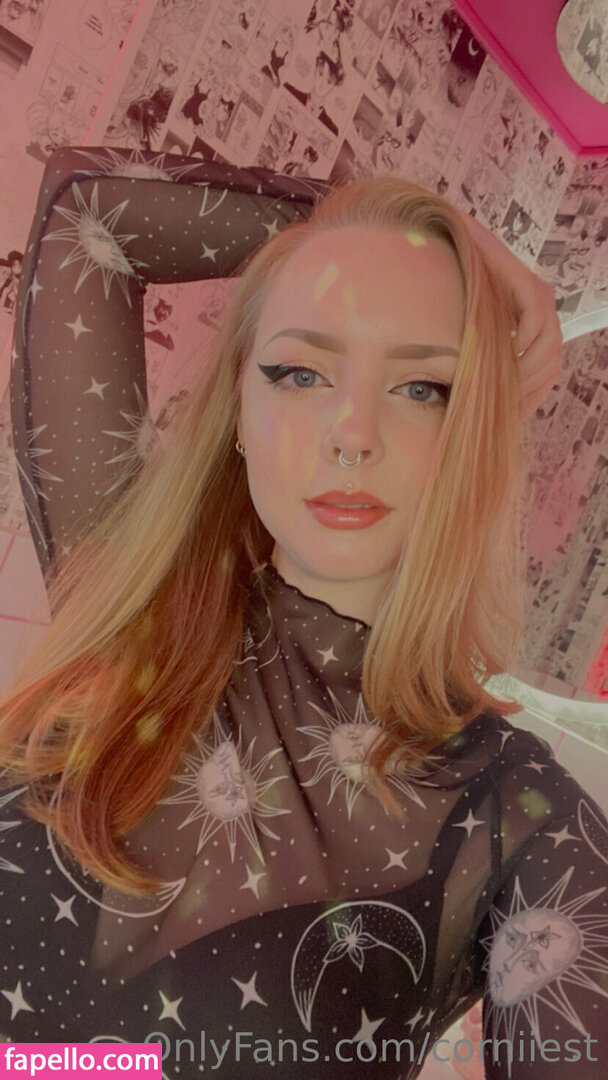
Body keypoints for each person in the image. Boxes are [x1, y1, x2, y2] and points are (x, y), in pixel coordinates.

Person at [1, 146, 606, 1079]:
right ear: (239, 408)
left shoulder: (520, 824)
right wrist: (422, 234)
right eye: (298, 372)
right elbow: (92, 218)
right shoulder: (134, 601)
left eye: (422, 388)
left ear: (474, 437)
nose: (353, 433)